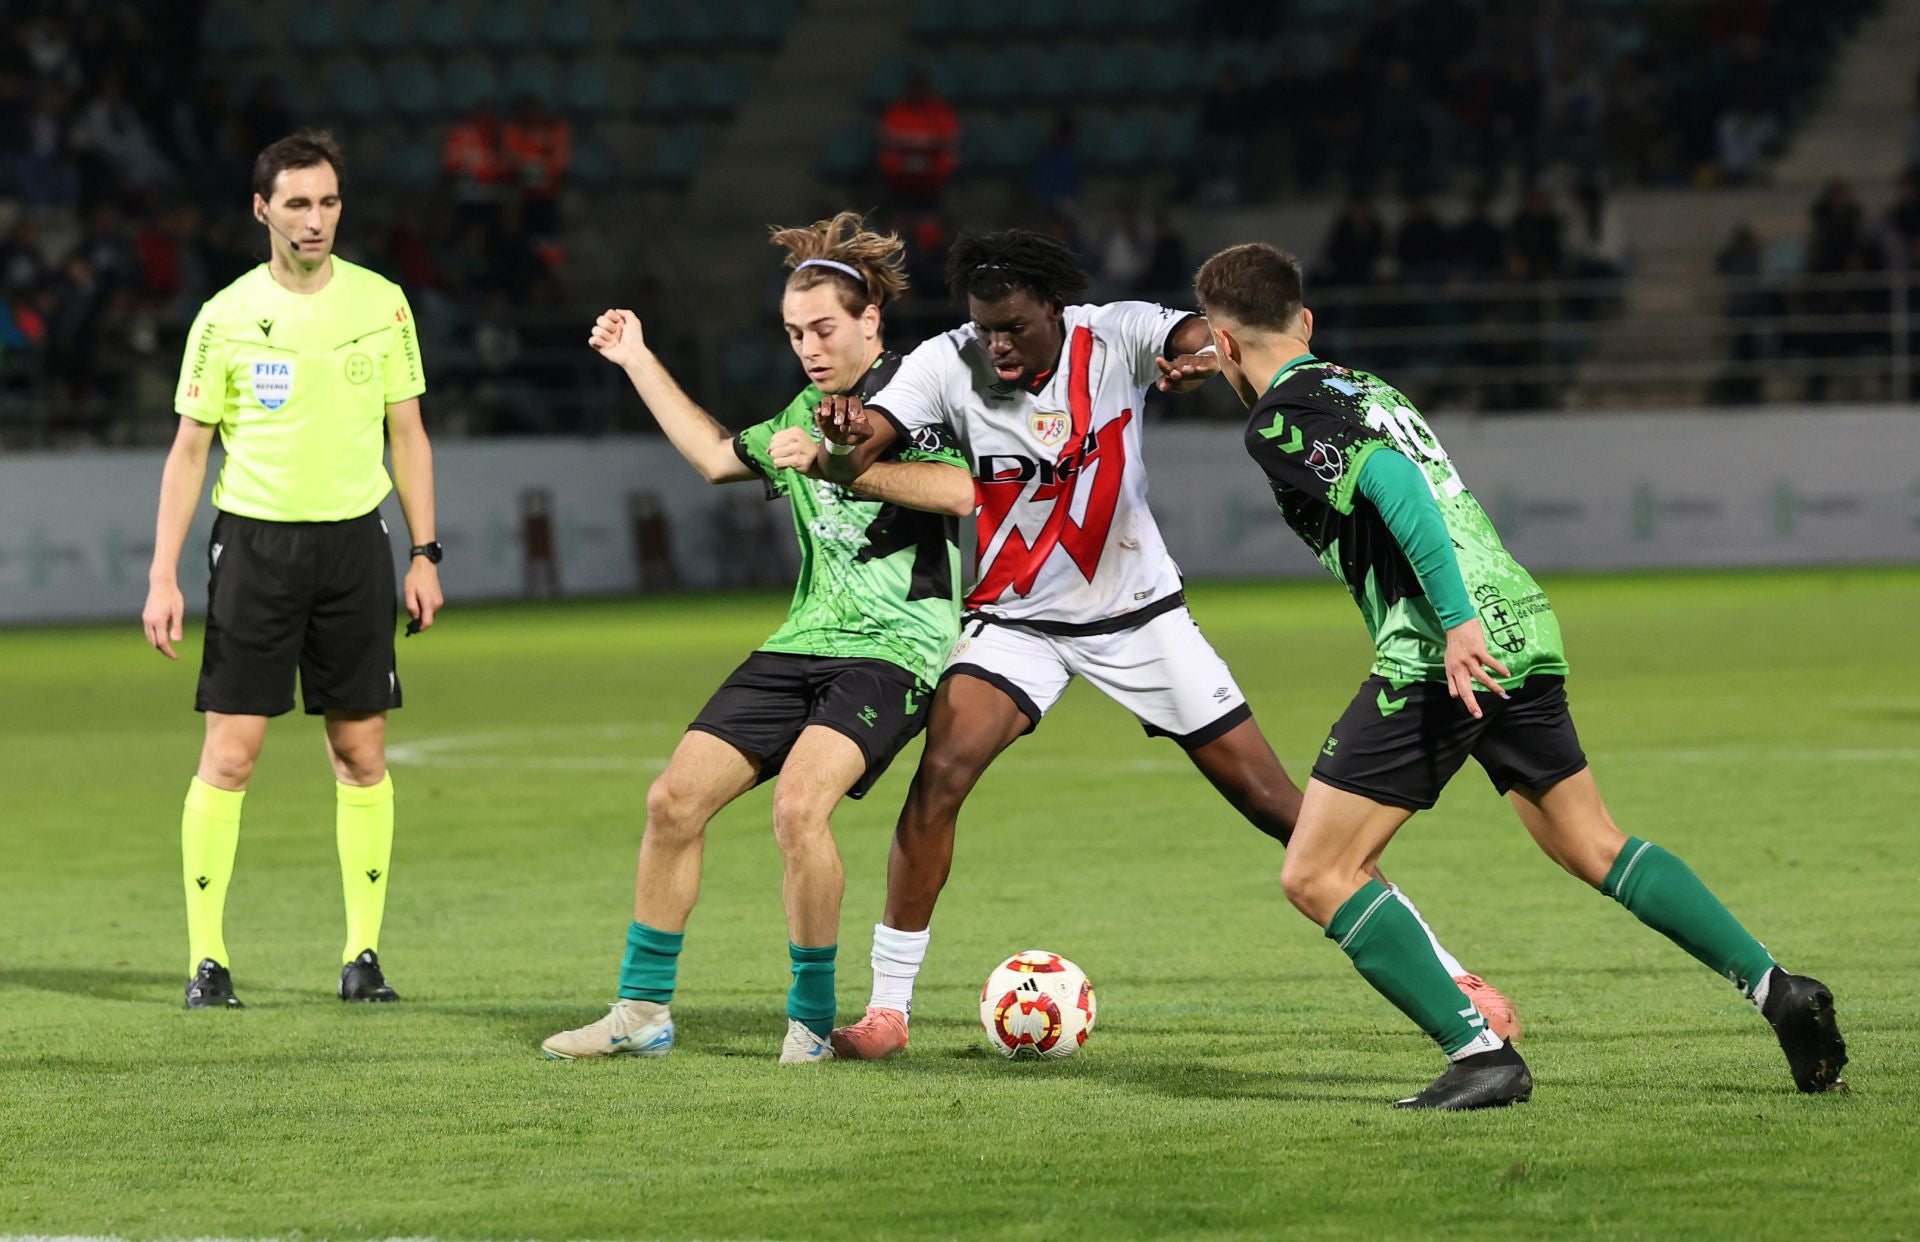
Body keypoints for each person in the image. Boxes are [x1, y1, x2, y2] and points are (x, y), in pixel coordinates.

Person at [813, 229, 1514, 1059]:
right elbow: (864, 444)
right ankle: (888, 1010)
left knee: (1276, 805)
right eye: (985, 326)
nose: (997, 342)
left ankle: (1446, 969)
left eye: (1014, 326)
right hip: (1017, 622)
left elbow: (1204, 337)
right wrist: (844, 428)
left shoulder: (1116, 332)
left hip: (1142, 618)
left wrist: (1202, 359)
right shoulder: (945, 360)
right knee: (940, 777)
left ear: (1054, 310)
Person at [1190, 241, 1848, 1109]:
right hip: (1521, 623)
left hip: (1442, 648)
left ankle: (1480, 1057)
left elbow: (1394, 487)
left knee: (1316, 873)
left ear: (1227, 346)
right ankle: (1777, 988)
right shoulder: (1364, 386)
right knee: (1592, 843)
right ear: (1305, 322)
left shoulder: (1278, 420)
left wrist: (1455, 627)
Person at [539, 213, 976, 1065]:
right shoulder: (803, 408)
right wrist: (637, 359)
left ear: (870, 324)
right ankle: (641, 1011)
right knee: (672, 802)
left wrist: (830, 460)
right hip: (803, 637)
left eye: (823, 330)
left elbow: (960, 491)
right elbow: (711, 457)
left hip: (896, 648)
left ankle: (811, 1020)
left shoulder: (915, 395)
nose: (808, 347)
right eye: (793, 333)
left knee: (796, 808)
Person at [141, 130, 441, 1009]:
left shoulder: (382, 303)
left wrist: (424, 551)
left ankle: (363, 958)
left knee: (361, 751)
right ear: (262, 209)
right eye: (299, 203)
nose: (317, 220)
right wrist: (164, 574)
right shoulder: (226, 316)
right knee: (230, 756)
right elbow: (189, 452)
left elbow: (409, 434)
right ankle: (206, 962)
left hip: (356, 545)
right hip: (258, 547)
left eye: (330, 202)